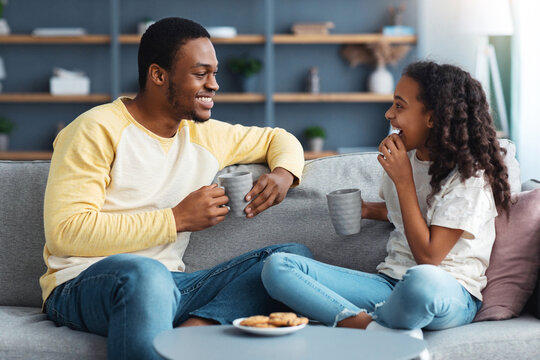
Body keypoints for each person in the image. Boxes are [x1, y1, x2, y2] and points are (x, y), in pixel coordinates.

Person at [41, 17, 311, 360]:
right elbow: (66, 232)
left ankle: (192, 333)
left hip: (170, 287)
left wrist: (284, 173)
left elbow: (278, 137)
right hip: (81, 286)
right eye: (201, 74)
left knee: (289, 261)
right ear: (158, 75)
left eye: (215, 73)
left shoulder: (205, 134)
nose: (214, 85)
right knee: (147, 274)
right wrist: (176, 219)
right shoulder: (95, 130)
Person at [261, 61, 511, 346]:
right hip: (389, 283)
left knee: (422, 281)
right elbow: (411, 214)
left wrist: (403, 181)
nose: (389, 114)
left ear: (432, 117)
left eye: (399, 106)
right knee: (277, 267)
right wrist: (367, 210)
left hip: (448, 290)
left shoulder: (470, 175)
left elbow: (429, 257)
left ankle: (382, 321)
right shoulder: (406, 160)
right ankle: (372, 327)